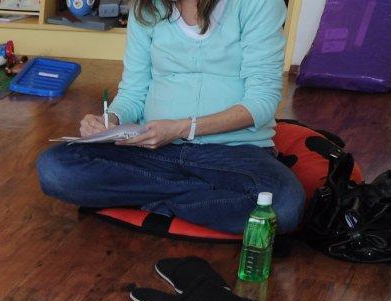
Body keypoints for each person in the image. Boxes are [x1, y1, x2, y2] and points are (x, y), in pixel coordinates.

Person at [35, 0, 303, 236]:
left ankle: (150, 198)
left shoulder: (259, 4)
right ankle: (203, 198)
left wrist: (182, 128)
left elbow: (262, 102)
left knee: (284, 205)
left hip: (233, 153)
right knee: (55, 168)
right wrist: (110, 120)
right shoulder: (146, 8)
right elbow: (133, 93)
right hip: (153, 150)